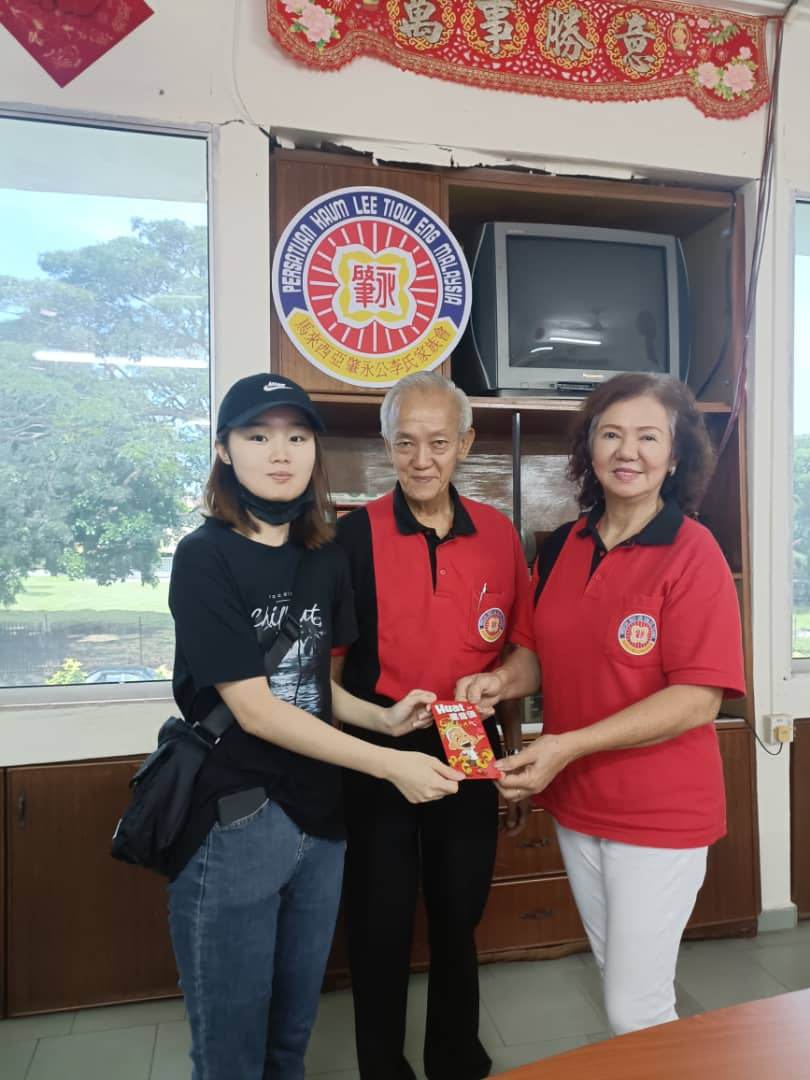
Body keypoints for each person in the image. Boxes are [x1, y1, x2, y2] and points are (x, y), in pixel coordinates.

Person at [166, 373, 464, 1080]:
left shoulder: (324, 555)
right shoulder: (204, 557)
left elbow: (312, 684)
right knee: (232, 1049)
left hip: (321, 823)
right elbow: (256, 707)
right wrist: (389, 762)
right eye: (258, 436)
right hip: (237, 819)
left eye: (297, 437)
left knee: (291, 1033)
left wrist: (384, 718)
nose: (280, 453)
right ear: (224, 450)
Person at [456, 373, 745, 1036]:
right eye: (611, 434)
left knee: (633, 1006)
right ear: (589, 448)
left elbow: (696, 699)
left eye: (648, 437)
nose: (628, 451)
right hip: (578, 803)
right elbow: (539, 654)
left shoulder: (693, 552)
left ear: (675, 455)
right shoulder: (563, 544)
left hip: (659, 811)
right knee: (623, 982)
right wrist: (500, 682)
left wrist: (570, 744)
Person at [334, 371, 537, 1080]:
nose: (422, 460)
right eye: (405, 443)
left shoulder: (499, 534)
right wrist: (375, 730)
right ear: (386, 444)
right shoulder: (350, 537)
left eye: (439, 443)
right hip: (378, 743)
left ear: (466, 444)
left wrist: (508, 741)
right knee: (379, 921)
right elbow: (323, 679)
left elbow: (523, 653)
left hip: (467, 739)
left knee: (459, 913)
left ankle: (456, 1060)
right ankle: (382, 1068)